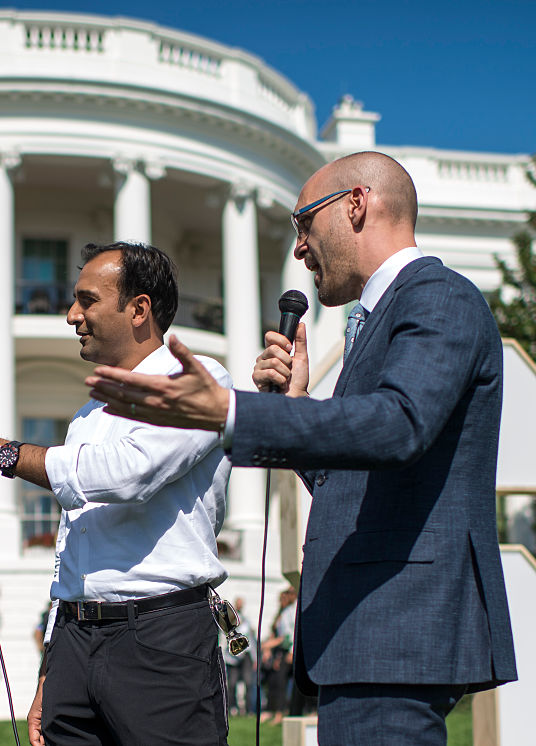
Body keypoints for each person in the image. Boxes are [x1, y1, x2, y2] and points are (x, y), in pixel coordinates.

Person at [86, 152, 517, 745]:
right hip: (365, 630)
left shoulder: (438, 295)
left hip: (399, 627)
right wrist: (294, 408)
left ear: (357, 205)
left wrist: (233, 411)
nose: (298, 249)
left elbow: (400, 426)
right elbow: (355, 477)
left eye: (303, 224)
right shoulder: (382, 314)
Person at [0, 242, 233, 745]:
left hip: (161, 635)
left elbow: (131, 474)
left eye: (87, 300)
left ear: (139, 309)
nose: (71, 315)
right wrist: (51, 663)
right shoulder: (87, 416)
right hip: (75, 635)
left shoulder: (200, 380)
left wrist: (4, 453)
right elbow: (72, 542)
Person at [259, 588, 295, 725]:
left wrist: (268, 645)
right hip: (279, 651)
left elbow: (287, 637)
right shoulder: (281, 613)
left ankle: (280, 713)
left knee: (280, 682)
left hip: (288, 650)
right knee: (273, 681)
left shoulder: (292, 611)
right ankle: (272, 710)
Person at [221, 597, 255, 717]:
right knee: (232, 683)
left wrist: (254, 658)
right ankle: (232, 708)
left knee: (248, 682)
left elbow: (251, 640)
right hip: (232, 657)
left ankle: (249, 709)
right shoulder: (227, 621)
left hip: (245, 655)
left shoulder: (246, 621)